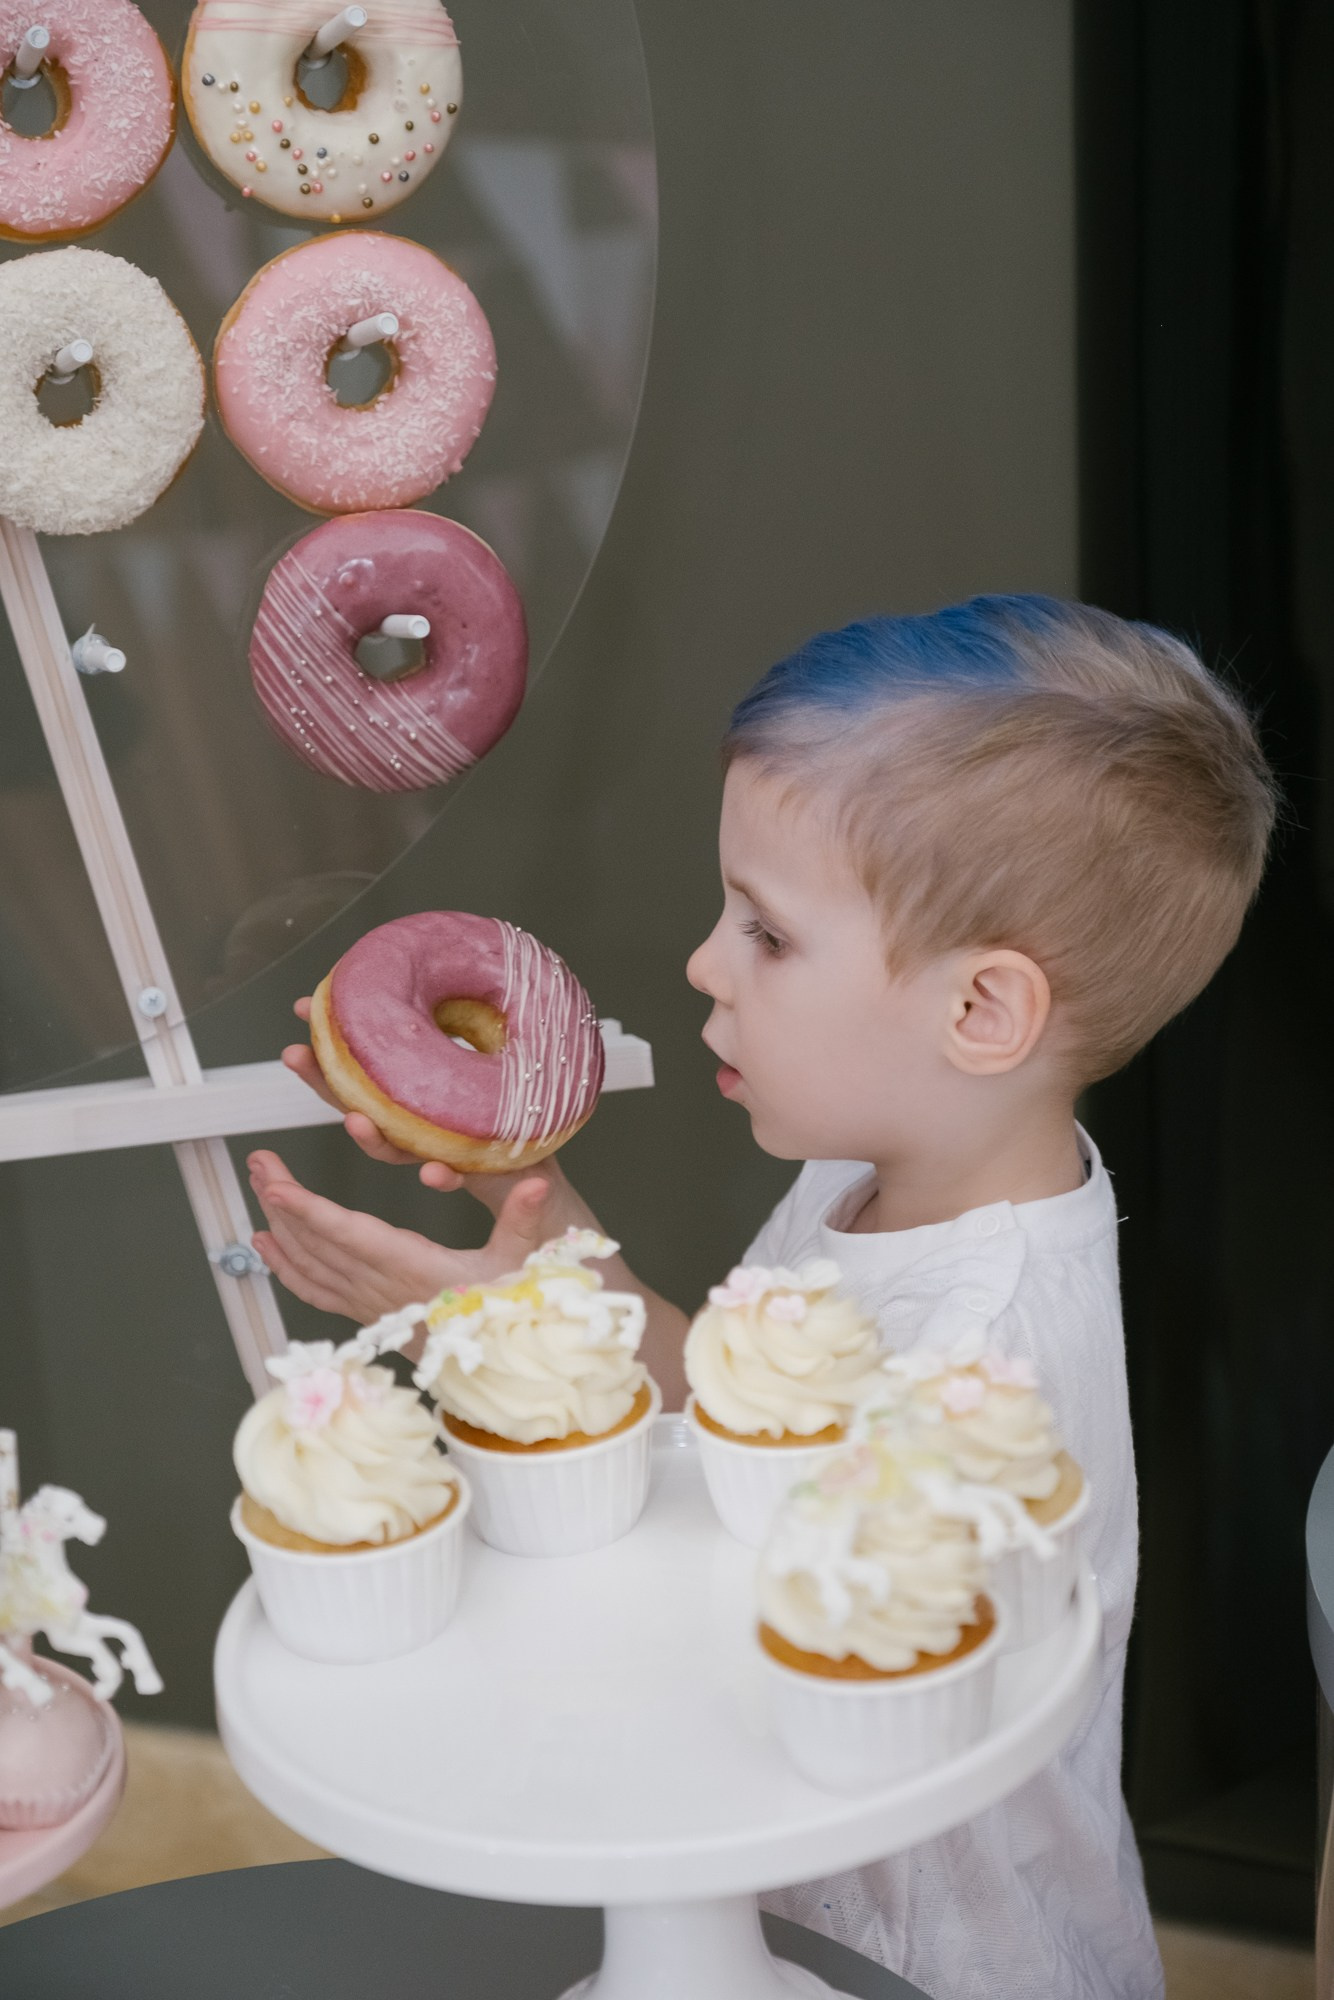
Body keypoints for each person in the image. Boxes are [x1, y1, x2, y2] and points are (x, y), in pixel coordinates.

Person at [248, 595, 1276, 1999]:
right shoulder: (871, 1176)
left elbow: (746, 1629)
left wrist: (488, 1336)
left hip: (924, 1956)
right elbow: (718, 1400)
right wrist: (529, 1202)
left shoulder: (988, 1360)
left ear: (979, 1013)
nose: (702, 963)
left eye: (768, 935)